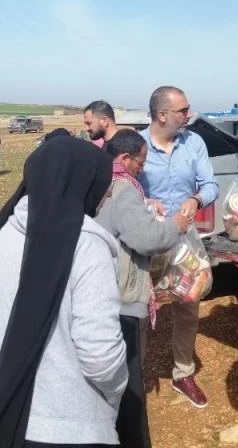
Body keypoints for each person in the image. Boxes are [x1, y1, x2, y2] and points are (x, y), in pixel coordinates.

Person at [0, 135, 128, 448]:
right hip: (62, 427)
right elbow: (100, 355)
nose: (107, 191)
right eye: (103, 182)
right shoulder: (86, 246)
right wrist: (118, 388)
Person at [97, 129, 188, 447]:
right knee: (128, 377)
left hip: (103, 290)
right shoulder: (123, 188)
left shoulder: (98, 181)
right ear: (124, 158)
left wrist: (144, 204)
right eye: (140, 161)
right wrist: (175, 226)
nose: (143, 168)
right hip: (124, 297)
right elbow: (146, 239)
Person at [138, 86, 219, 408]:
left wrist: (196, 198)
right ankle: (134, 374)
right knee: (140, 308)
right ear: (162, 115)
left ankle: (183, 373)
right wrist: (145, 202)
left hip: (184, 240)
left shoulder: (194, 142)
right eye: (183, 110)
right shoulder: (137, 147)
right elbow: (117, 188)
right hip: (145, 241)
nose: (189, 114)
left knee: (189, 304)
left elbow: (209, 184)